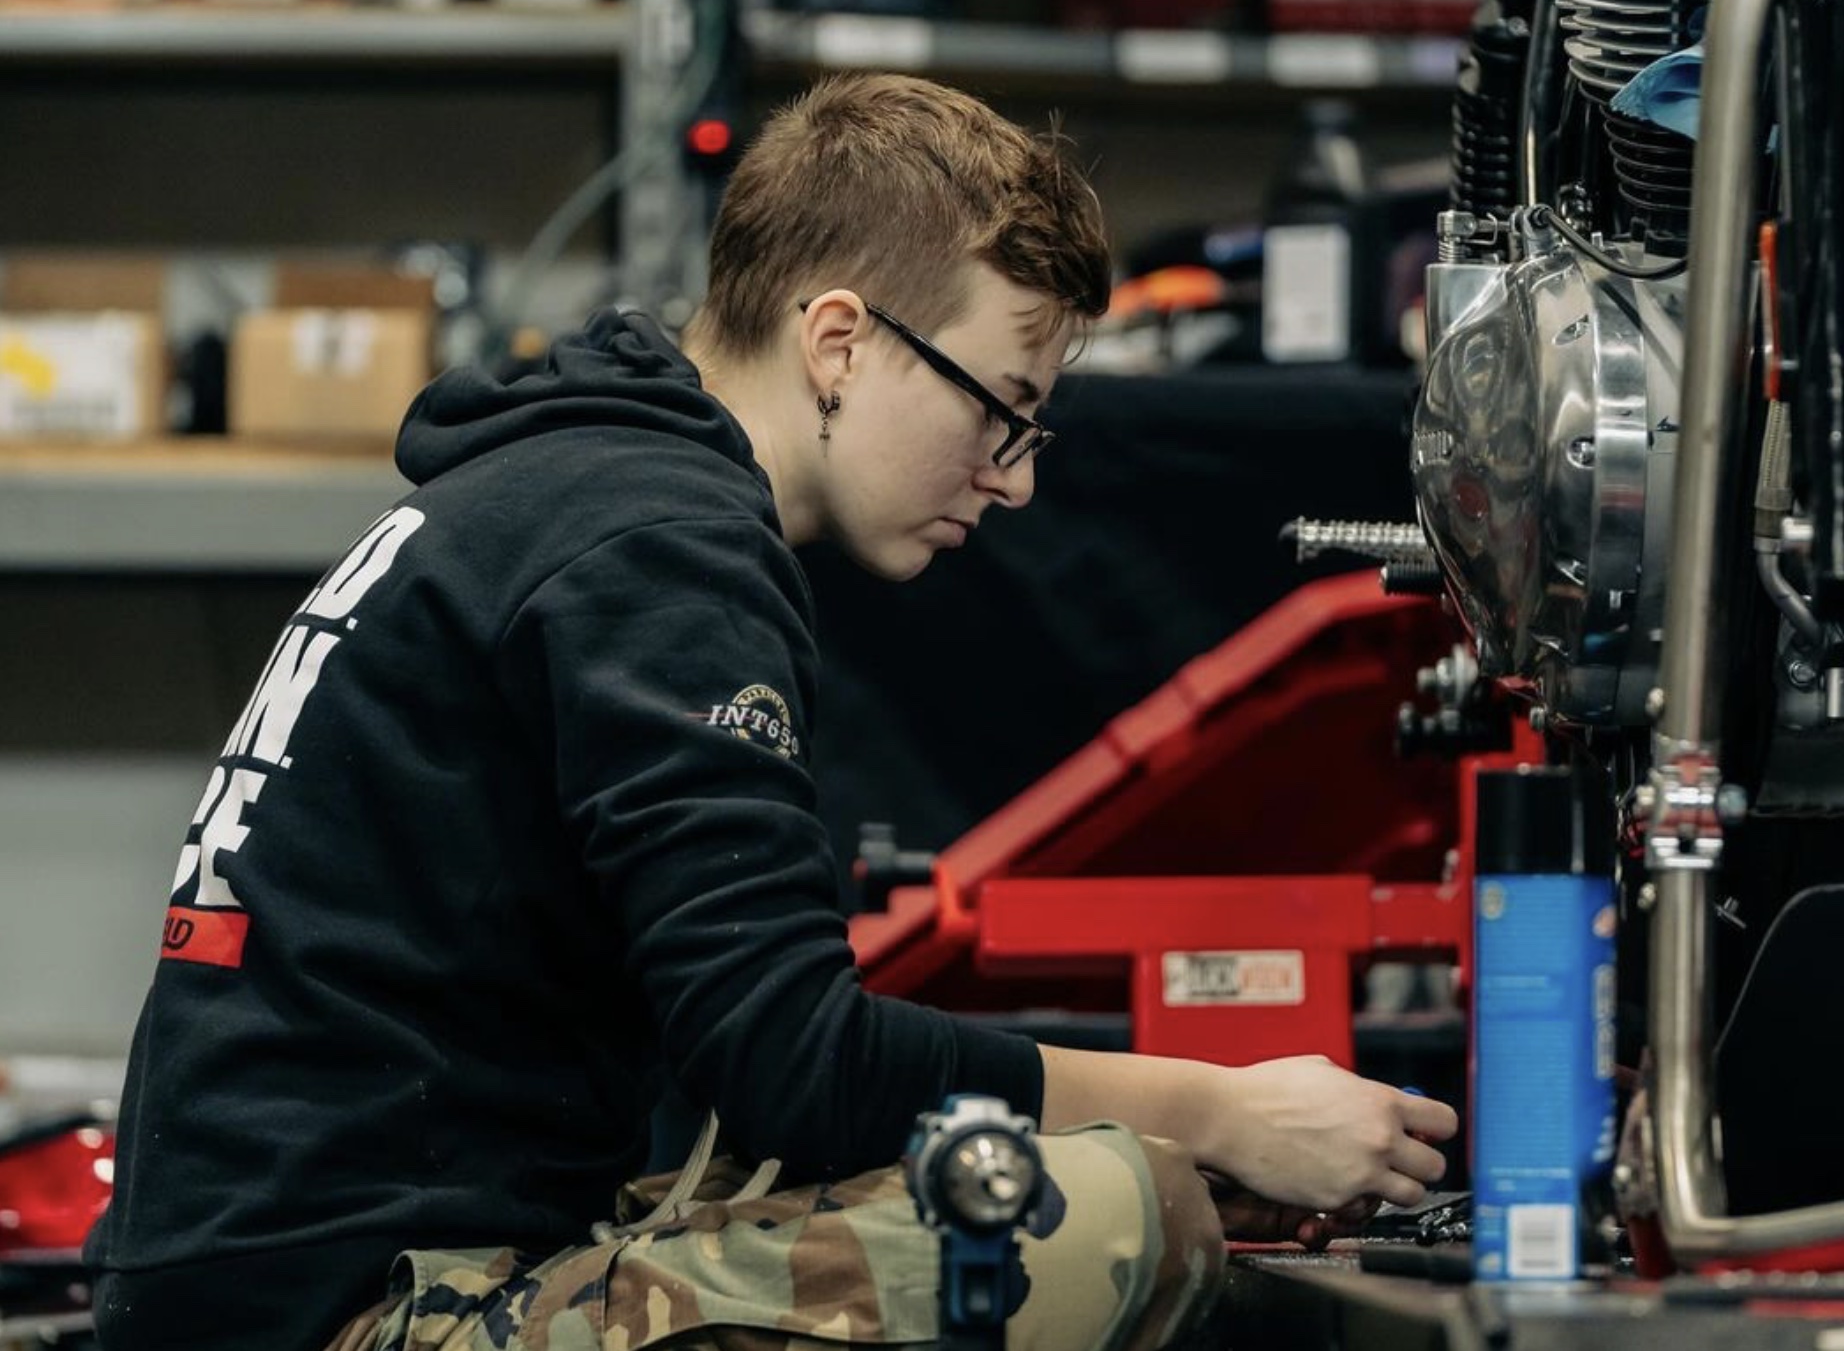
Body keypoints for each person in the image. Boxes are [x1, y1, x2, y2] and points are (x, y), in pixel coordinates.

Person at [86, 73, 1456, 1351]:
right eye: (1003, 411)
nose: (1015, 481)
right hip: (359, 1312)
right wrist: (1223, 1111)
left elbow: (744, 1060)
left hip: (270, 1276)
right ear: (842, 340)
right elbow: (794, 1059)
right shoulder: (660, 548)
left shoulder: (564, 488)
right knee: (1115, 1219)